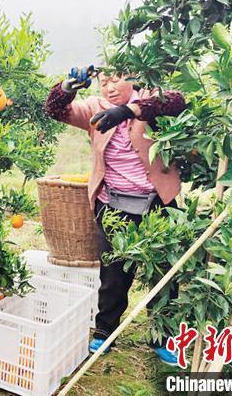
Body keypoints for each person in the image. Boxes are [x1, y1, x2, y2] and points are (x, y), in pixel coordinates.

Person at [44, 65, 186, 366]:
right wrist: (67, 88)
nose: (109, 87)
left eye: (117, 79)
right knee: (113, 274)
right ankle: (105, 331)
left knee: (163, 274)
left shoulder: (149, 98)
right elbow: (55, 110)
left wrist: (129, 111)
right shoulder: (95, 108)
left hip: (157, 203)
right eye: (103, 81)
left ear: (133, 78)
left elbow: (176, 100)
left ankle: (162, 337)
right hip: (114, 206)